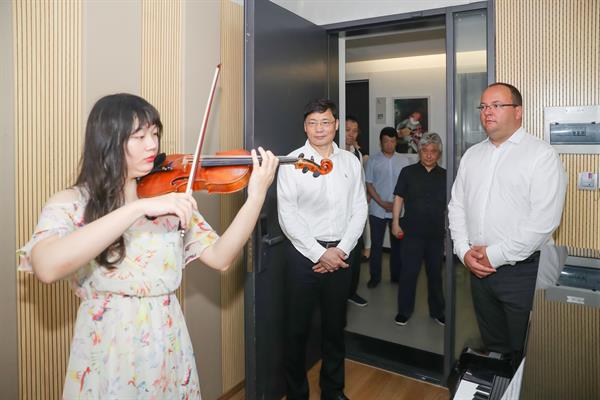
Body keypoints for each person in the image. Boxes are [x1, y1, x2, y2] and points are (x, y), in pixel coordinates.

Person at [17, 93, 279, 399]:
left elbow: (221, 257)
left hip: (166, 337)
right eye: (139, 136)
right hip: (109, 344)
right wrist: (136, 208)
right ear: (107, 140)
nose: (152, 145)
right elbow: (46, 267)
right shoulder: (72, 202)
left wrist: (256, 196)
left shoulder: (169, 199)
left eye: (155, 134)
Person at [448, 83, 567, 366]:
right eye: (483, 106)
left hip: (523, 274)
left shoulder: (541, 155)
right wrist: (463, 251)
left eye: (497, 105)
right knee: (495, 350)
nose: (487, 112)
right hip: (478, 272)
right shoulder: (472, 155)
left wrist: (493, 255)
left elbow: (543, 223)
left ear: (518, 111)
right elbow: (457, 206)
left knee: (527, 354)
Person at [277, 99, 367, 400]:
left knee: (335, 328)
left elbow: (359, 208)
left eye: (325, 122)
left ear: (336, 125)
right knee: (296, 331)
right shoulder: (291, 162)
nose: (319, 129)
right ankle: (296, 394)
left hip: (341, 256)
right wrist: (319, 253)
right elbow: (287, 216)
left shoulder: (350, 162)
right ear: (305, 127)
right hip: (303, 257)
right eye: (313, 123)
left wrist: (341, 250)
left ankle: (333, 390)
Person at [391, 132, 446, 326]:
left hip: (436, 235)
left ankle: (437, 311)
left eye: (433, 151)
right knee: (409, 273)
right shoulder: (408, 172)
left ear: (439, 154)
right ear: (419, 152)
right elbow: (399, 197)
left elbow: (453, 205)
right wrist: (395, 222)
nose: (429, 155)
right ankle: (404, 311)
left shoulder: (446, 176)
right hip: (411, 233)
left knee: (435, 274)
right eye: (425, 150)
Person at [364, 127, 411, 288]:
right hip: (377, 210)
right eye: (386, 141)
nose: (389, 144)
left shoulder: (404, 161)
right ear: (381, 142)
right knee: (376, 245)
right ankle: (375, 277)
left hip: (399, 211)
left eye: (392, 141)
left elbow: (407, 186)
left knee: (397, 246)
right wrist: (382, 203)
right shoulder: (373, 160)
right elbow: (369, 183)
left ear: (396, 142)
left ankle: (396, 276)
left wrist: (399, 204)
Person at [344, 115, 369, 307]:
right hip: (339, 214)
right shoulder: (334, 153)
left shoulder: (357, 154)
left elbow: (361, 184)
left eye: (354, 131)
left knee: (354, 257)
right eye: (347, 130)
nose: (351, 134)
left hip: (355, 212)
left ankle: (351, 292)